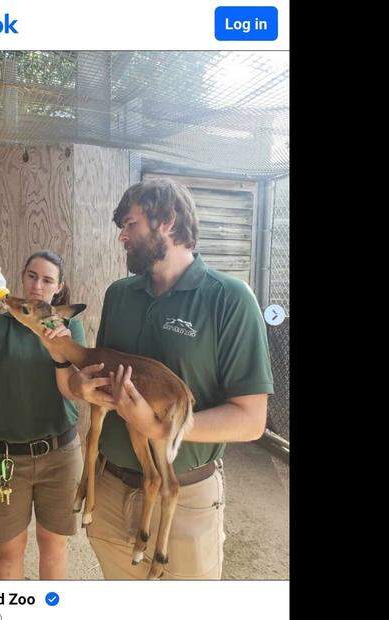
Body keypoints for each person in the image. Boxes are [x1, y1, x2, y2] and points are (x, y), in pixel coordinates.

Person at [66, 178, 274, 579]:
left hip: (185, 497)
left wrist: (158, 426)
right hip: (111, 489)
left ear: (167, 221)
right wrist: (79, 386)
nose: (122, 237)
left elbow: (250, 421)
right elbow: (102, 377)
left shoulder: (230, 298)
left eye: (131, 225)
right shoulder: (119, 295)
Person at [0, 250, 86, 579]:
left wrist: (61, 348)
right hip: (7, 456)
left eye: (47, 280)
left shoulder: (68, 327)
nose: (37, 285)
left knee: (54, 544)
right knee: (9, 550)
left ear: (58, 288)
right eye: (32, 276)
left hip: (60, 452)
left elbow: (75, 389)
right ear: (21, 278)